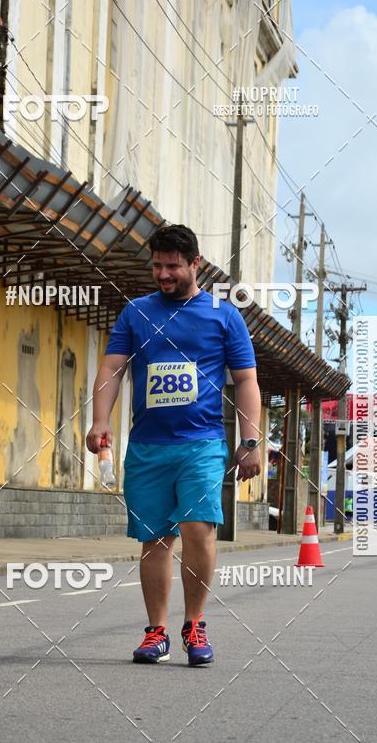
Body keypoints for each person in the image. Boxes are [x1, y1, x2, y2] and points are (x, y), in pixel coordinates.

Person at [86, 224, 261, 666]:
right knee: (154, 540)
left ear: (195, 264)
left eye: (172, 266)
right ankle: (156, 632)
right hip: (147, 446)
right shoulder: (136, 313)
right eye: (157, 265)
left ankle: (195, 623)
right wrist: (100, 421)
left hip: (201, 443)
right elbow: (112, 367)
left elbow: (245, 380)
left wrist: (251, 441)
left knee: (198, 529)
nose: (163, 274)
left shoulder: (224, 315)